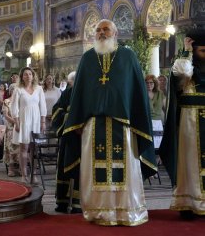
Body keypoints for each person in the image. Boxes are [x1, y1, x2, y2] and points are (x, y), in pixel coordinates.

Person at [62, 19, 157, 226]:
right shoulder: (87, 59)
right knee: (95, 171)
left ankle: (125, 211)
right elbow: (79, 94)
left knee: (124, 170)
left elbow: (137, 94)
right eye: (98, 30)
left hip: (123, 126)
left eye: (106, 29)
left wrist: (137, 121)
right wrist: (76, 123)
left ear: (115, 33)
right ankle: (98, 212)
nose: (101, 33)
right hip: (92, 126)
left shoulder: (128, 56)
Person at [160, 29, 205, 220]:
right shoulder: (186, 69)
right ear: (194, 51)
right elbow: (182, 71)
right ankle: (189, 203)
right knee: (190, 162)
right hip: (190, 123)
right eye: (203, 51)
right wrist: (186, 51)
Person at [51, 71, 81, 213]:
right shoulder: (67, 93)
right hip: (68, 136)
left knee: (80, 169)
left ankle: (77, 203)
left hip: (83, 138)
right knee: (64, 167)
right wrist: (70, 118)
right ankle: (62, 201)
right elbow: (57, 111)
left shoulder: (89, 92)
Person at [11, 67, 47, 184]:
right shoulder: (18, 89)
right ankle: (24, 175)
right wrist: (16, 122)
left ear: (33, 76)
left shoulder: (39, 89)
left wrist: (43, 122)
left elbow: (43, 106)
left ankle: (34, 174)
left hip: (36, 121)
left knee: (34, 148)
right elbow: (14, 107)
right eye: (25, 74)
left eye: (30, 74)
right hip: (24, 121)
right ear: (22, 77)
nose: (28, 76)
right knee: (24, 148)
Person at [2, 83, 20, 177]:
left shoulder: (21, 101)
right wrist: (15, 122)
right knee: (11, 148)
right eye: (13, 89)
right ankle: (11, 168)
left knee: (21, 148)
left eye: (17, 89)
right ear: (11, 91)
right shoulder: (6, 101)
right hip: (10, 128)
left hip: (20, 127)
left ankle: (20, 168)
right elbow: (5, 115)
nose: (15, 91)